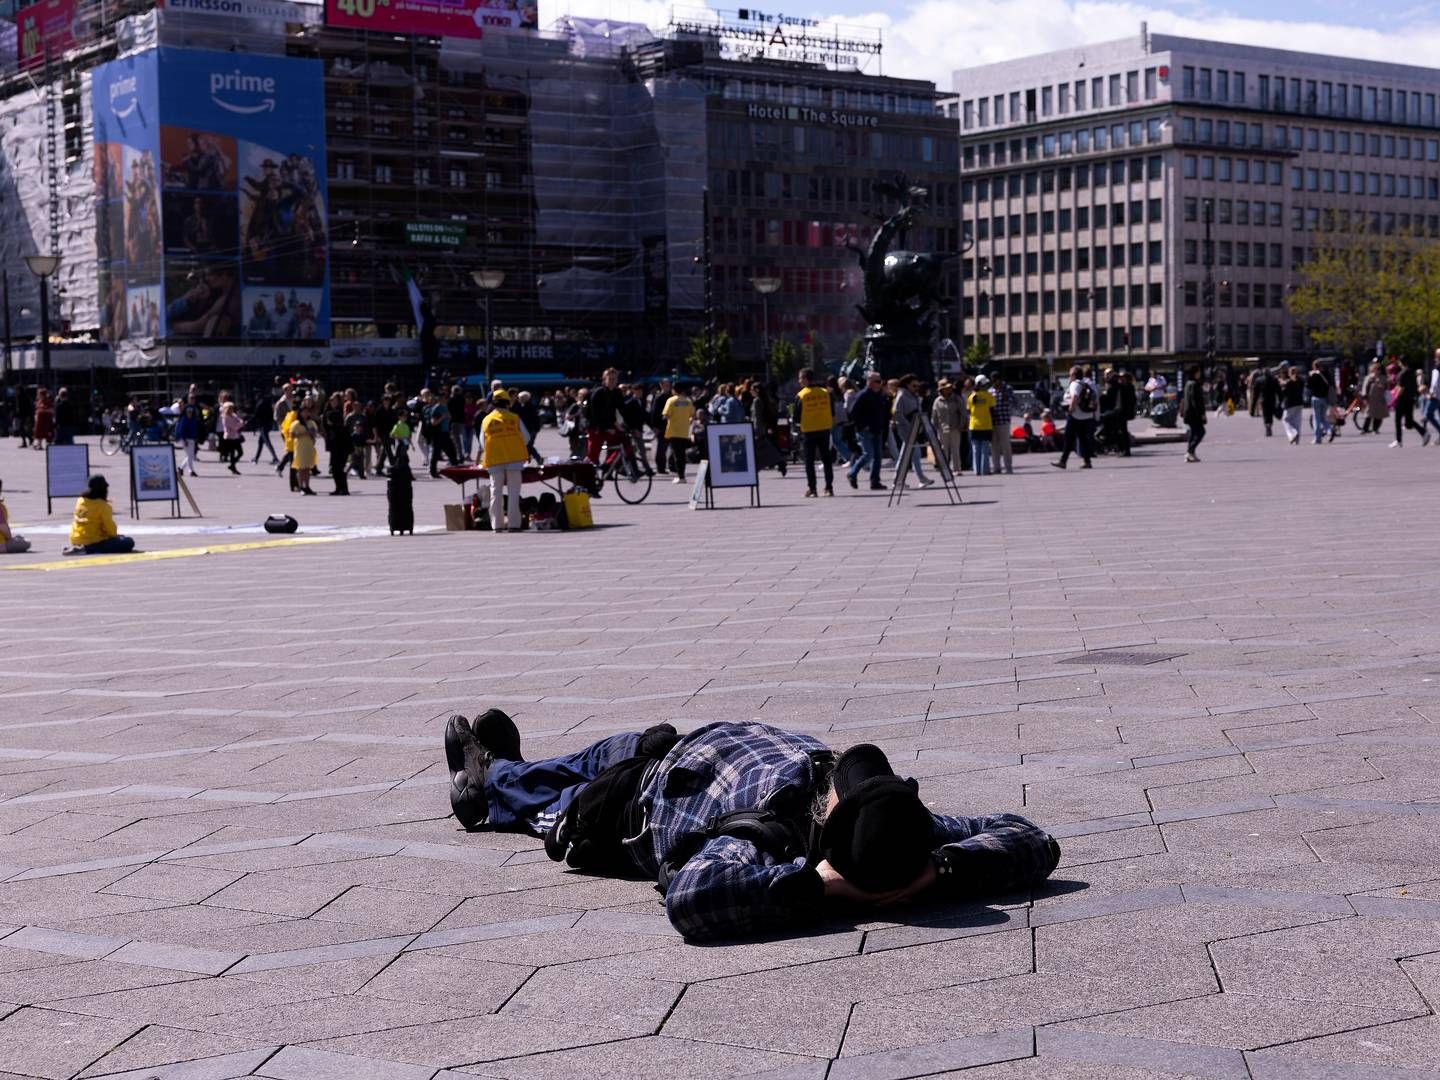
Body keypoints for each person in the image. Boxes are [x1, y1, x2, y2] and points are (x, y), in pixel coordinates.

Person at [442, 712, 1061, 942]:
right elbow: (1030, 834)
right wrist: (943, 868)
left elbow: (692, 901)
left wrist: (820, 889)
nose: (833, 777)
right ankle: (511, 767)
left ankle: (489, 778)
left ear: (827, 819)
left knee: (557, 805)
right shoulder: (907, 828)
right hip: (690, 747)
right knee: (636, 740)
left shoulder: (764, 839)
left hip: (629, 804)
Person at [480, 389, 530, 533]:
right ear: (507, 402)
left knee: (495, 492)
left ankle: (497, 525)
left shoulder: (486, 420)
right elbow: (526, 437)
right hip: (514, 459)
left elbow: (482, 442)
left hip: (494, 460)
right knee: (514, 492)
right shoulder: (515, 418)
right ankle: (514, 524)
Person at [63, 475, 134, 555]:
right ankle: (87, 549)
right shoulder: (103, 506)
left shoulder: (80, 500)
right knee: (129, 542)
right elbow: (111, 530)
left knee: (120, 538)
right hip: (92, 541)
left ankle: (80, 547)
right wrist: (115, 536)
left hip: (75, 538)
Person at [845, 371, 889, 491]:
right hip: (865, 430)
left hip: (877, 429)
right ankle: (852, 473)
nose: (880, 383)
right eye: (877, 381)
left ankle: (875, 481)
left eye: (880, 381)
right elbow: (852, 412)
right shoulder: (863, 395)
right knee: (868, 454)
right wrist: (862, 426)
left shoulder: (880, 395)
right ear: (869, 382)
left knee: (878, 456)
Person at [795, 367, 835, 497]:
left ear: (806, 379)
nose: (799, 381)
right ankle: (829, 487)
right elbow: (832, 411)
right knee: (826, 459)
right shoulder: (825, 392)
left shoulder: (801, 395)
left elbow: (796, 416)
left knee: (809, 461)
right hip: (824, 429)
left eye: (800, 378)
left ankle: (812, 488)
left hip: (809, 430)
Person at [890, 374, 932, 489]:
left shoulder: (912, 395)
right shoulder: (902, 395)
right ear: (907, 385)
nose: (916, 388)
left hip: (913, 429)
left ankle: (899, 480)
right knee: (913, 454)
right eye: (914, 385)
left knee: (906, 455)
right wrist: (908, 425)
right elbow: (897, 412)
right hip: (907, 430)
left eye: (917, 386)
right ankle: (918, 479)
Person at [1052, 366, 1097, 469]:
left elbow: (1075, 397)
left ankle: (1063, 461)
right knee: (1082, 438)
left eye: (1070, 374)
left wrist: (1070, 410)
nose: (1069, 377)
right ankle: (1087, 461)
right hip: (1086, 415)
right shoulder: (1085, 384)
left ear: (1073, 375)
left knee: (1068, 438)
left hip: (1075, 415)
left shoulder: (1075, 384)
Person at [585, 367, 627, 464]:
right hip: (595, 427)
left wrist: (629, 426)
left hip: (610, 426)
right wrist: (607, 427)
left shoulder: (617, 392)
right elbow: (594, 415)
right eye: (610, 379)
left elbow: (623, 410)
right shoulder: (597, 393)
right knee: (593, 455)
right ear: (604, 380)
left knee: (624, 442)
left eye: (614, 379)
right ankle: (590, 475)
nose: (613, 381)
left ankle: (608, 468)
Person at [930, 379, 965, 477]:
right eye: (946, 388)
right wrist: (934, 427)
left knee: (955, 450)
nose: (949, 389)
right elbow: (934, 416)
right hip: (942, 429)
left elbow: (963, 413)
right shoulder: (937, 401)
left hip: (955, 428)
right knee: (943, 450)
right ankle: (945, 469)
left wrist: (961, 425)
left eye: (949, 388)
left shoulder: (957, 399)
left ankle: (957, 469)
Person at [661, 384, 695, 483]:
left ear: (674, 390)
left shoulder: (671, 400)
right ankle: (682, 475)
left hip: (673, 431)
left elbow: (666, 415)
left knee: (677, 455)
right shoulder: (688, 401)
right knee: (682, 455)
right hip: (684, 432)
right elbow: (692, 415)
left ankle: (681, 477)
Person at [967, 375, 995, 475]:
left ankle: (977, 470)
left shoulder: (971, 396)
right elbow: (992, 411)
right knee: (985, 448)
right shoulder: (989, 396)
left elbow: (969, 410)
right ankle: (985, 470)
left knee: (975, 448)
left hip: (974, 425)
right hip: (986, 425)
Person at [1390, 360, 1423, 448]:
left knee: (1398, 420)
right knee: (1409, 420)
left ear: (1401, 362)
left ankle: (1398, 440)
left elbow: (1401, 387)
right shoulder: (1412, 373)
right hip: (1410, 398)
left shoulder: (1403, 373)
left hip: (1402, 399)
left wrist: (1394, 399)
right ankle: (1424, 433)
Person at [290, 402, 319, 495]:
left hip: (309, 447)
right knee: (301, 468)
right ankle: (301, 486)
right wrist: (303, 434)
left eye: (307, 412)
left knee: (307, 468)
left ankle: (307, 486)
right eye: (304, 412)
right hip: (300, 447)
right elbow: (292, 435)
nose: (306, 414)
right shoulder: (296, 424)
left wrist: (312, 433)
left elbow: (315, 433)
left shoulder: (312, 423)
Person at [991, 372, 1017, 474]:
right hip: (993, 422)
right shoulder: (990, 390)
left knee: (1006, 445)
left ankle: (1008, 467)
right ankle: (996, 467)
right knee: (994, 445)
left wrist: (1006, 395)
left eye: (995, 380)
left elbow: (1014, 402)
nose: (994, 382)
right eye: (992, 380)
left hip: (1004, 420)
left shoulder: (1007, 388)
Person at [1182, 365, 1207, 463]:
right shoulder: (1194, 384)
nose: (1200, 373)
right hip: (1194, 413)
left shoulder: (1188, 383)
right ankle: (1189, 451)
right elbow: (1195, 401)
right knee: (1201, 432)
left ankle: (1191, 454)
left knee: (1193, 433)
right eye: (1198, 371)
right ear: (1195, 373)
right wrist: (1201, 413)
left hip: (1188, 413)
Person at [649, 379, 673, 474]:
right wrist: (654, 427)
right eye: (666, 385)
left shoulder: (671, 396)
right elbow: (654, 413)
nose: (668, 387)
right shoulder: (658, 397)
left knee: (671, 448)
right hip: (661, 426)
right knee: (661, 448)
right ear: (661, 385)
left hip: (671, 425)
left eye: (669, 385)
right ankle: (661, 467)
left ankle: (671, 466)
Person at [1306, 361, 1332, 445]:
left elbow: (1308, 386)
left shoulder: (1313, 375)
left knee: (1316, 419)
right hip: (1325, 398)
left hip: (1316, 398)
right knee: (1323, 417)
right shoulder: (1325, 373)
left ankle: (1318, 438)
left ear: (1314, 367)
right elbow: (1330, 384)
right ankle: (1329, 430)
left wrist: (1310, 376)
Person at [1360, 361, 1388, 435]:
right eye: (1376, 369)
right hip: (1370, 399)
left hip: (1380, 398)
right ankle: (1365, 429)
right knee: (1368, 414)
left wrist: (1381, 386)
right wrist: (1364, 397)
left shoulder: (1383, 377)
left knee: (1379, 415)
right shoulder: (1369, 377)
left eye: (1378, 369)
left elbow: (1386, 387)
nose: (1377, 371)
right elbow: (1365, 388)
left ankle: (1375, 429)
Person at [173, 402, 202, 477]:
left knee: (190, 455)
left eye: (191, 411)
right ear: (185, 412)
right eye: (188, 411)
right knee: (190, 455)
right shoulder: (183, 419)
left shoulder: (193, 419)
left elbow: (195, 430)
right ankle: (191, 470)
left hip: (192, 439)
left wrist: (196, 438)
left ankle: (181, 468)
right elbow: (181, 430)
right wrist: (184, 439)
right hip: (185, 439)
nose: (189, 413)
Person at [0, 488, 31, 553]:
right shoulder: (1, 507)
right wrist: (10, 539)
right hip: (1, 545)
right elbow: (3, 527)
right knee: (27, 542)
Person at [218, 402, 244, 474]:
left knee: (240, 453)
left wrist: (240, 423)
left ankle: (232, 465)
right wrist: (240, 424)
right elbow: (234, 427)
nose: (232, 409)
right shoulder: (225, 418)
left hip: (235, 436)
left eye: (232, 408)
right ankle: (233, 468)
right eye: (230, 408)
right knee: (232, 453)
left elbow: (240, 420)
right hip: (229, 437)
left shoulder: (233, 415)